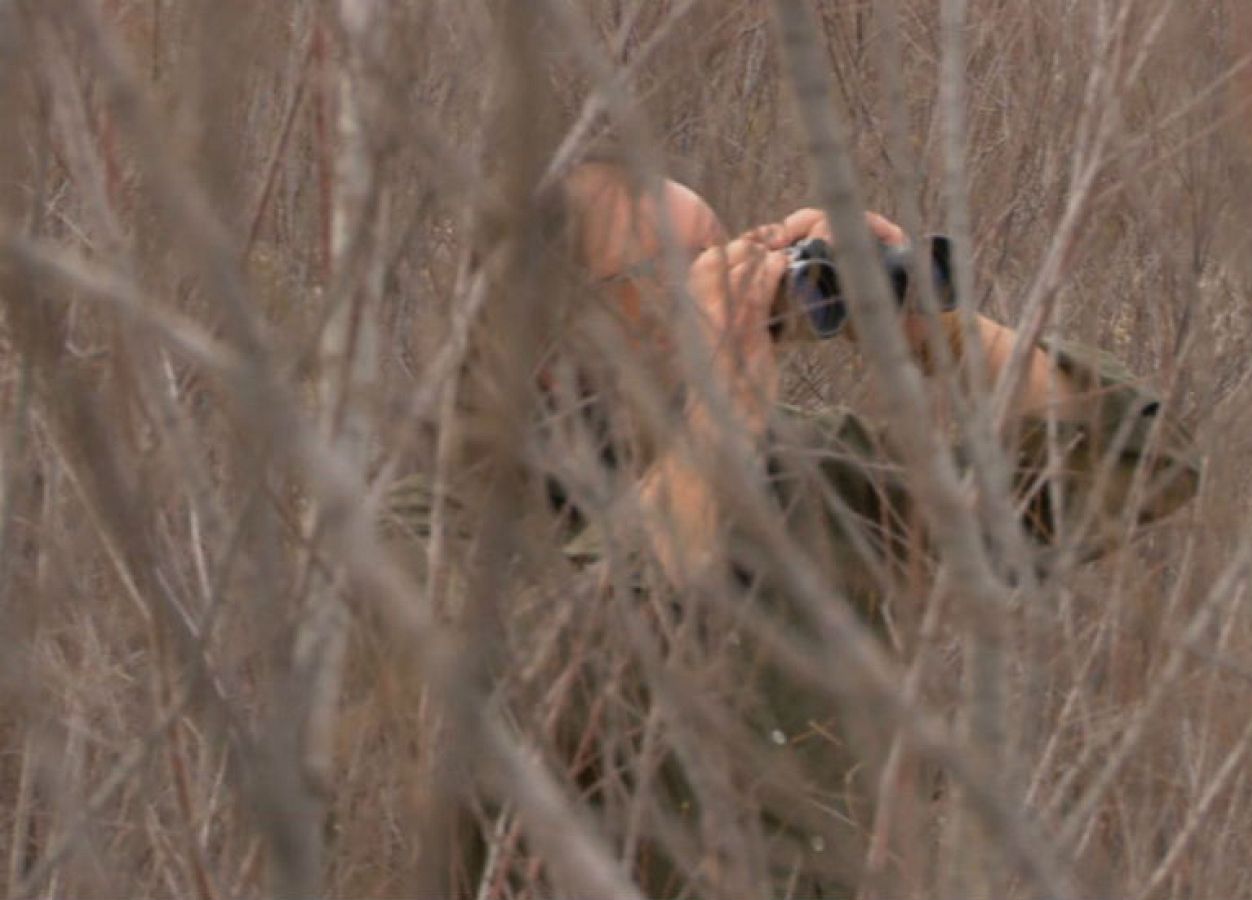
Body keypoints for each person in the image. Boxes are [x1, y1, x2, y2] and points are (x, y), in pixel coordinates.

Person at [408, 157, 1201, 897]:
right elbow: (566, 696)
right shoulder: (428, 531)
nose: (725, 291)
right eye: (674, 276)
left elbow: (1135, 462)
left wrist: (936, 329)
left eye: (726, 259)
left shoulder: (804, 466)